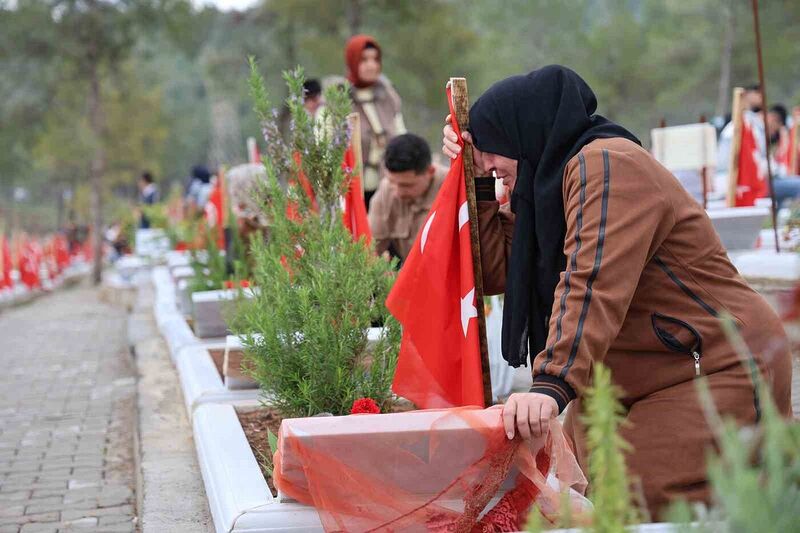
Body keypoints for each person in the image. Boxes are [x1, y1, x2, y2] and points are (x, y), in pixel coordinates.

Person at [441, 66, 792, 518]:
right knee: (566, 492)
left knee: (625, 497)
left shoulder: (607, 164)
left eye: (491, 150)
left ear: (523, 130)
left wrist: (551, 384)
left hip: (712, 366)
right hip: (631, 378)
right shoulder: (547, 195)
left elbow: (592, 280)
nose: (487, 162)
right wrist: (477, 183)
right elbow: (493, 271)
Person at [344, 34, 407, 208]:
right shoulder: (339, 101)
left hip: (389, 188)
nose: (371, 66)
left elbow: (401, 137)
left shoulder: (389, 96)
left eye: (375, 59)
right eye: (364, 60)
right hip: (352, 193)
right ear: (353, 62)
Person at [369, 134, 443, 264]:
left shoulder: (452, 189)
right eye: (392, 182)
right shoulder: (385, 191)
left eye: (406, 185)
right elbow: (370, 250)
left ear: (430, 172)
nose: (397, 192)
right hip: (408, 274)